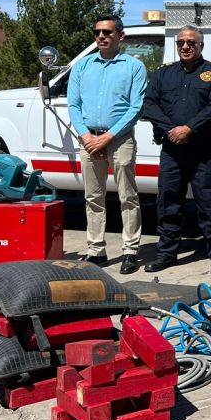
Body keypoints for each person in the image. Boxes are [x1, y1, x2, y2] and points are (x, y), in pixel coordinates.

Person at [142, 25, 211, 274]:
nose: (185, 46)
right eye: (181, 42)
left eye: (191, 42)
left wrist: (189, 128)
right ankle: (167, 253)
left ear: (201, 45)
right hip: (172, 150)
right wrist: (172, 130)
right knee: (168, 203)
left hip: (205, 151)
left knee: (210, 204)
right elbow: (149, 104)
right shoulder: (164, 74)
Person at [67, 14, 147, 275]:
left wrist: (108, 136)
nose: (101, 36)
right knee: (93, 196)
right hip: (88, 139)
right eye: (97, 32)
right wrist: (86, 136)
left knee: (127, 196)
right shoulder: (82, 66)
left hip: (120, 139)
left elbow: (135, 107)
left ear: (120, 36)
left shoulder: (134, 67)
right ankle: (96, 250)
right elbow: (73, 105)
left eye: (107, 32)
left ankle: (130, 250)